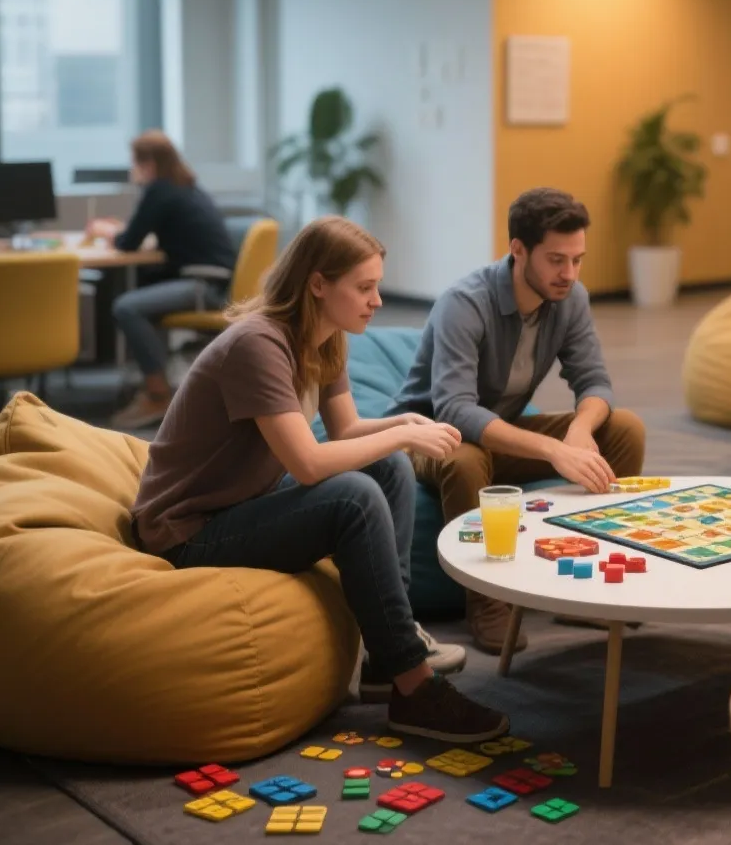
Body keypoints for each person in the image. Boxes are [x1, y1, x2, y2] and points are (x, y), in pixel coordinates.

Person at [130, 217, 494, 733]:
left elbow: (345, 429)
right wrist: (404, 437)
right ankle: (413, 688)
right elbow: (307, 465)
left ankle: (387, 654)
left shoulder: (324, 337)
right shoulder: (258, 344)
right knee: (354, 496)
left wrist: (403, 422)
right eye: (364, 288)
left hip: (237, 502)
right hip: (185, 530)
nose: (378, 300)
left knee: (386, 466)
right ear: (318, 284)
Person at [394, 188, 646, 653]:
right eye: (556, 260)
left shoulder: (571, 299)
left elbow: (595, 383)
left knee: (624, 427)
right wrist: (554, 449)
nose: (568, 273)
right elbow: (453, 409)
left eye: (577, 260)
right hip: (429, 438)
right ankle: (487, 601)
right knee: (466, 461)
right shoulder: (463, 303)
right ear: (518, 250)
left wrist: (578, 429)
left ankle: (596, 584)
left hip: (497, 432)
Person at [88, 132, 239, 429]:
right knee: (142, 298)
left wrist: (106, 232)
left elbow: (128, 242)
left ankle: (157, 394)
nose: (133, 169)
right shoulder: (186, 187)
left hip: (203, 285)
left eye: (135, 162)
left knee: (127, 308)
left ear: (148, 163)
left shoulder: (160, 190)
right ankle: (156, 385)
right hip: (210, 279)